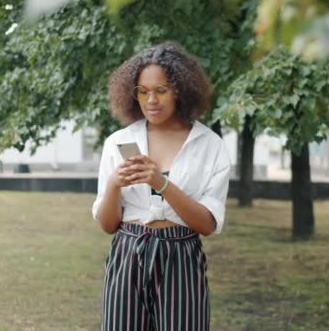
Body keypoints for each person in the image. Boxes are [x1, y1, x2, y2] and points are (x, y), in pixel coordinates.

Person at [92, 42, 231, 330]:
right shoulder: (118, 142)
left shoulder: (209, 145)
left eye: (161, 90)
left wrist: (161, 183)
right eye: (143, 91)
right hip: (127, 252)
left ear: (180, 89)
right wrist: (114, 186)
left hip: (181, 256)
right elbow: (107, 225)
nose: (151, 100)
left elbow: (206, 224)